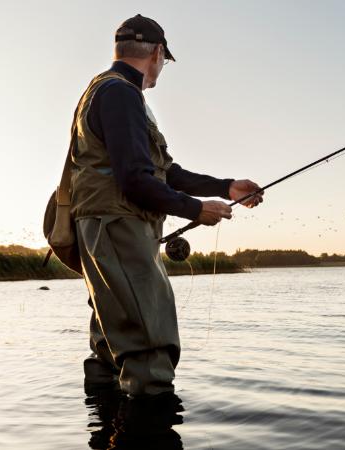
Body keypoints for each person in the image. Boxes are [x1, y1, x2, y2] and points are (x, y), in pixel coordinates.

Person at [71, 14, 263, 400]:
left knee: (110, 345)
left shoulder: (105, 90)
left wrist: (225, 187)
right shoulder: (122, 94)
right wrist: (195, 210)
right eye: (164, 60)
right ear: (158, 53)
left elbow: (163, 171)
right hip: (119, 229)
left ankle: (105, 428)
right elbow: (136, 181)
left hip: (103, 229)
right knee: (149, 347)